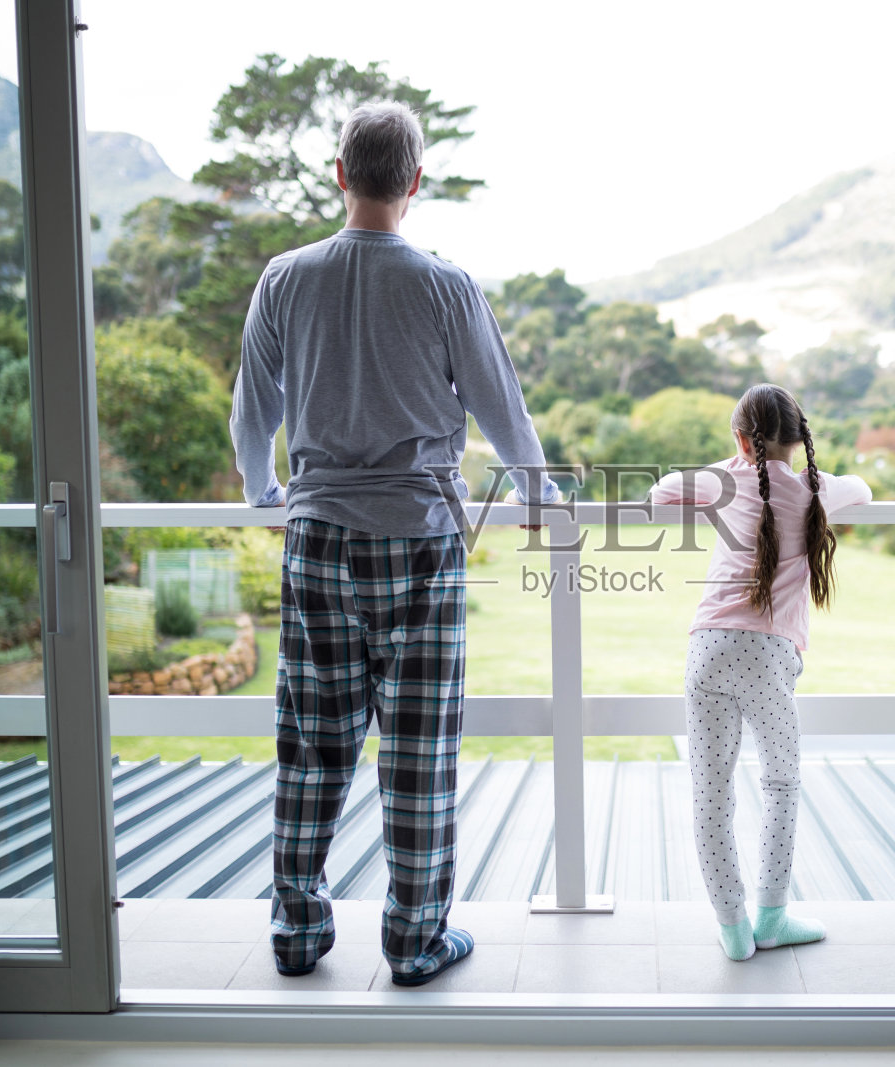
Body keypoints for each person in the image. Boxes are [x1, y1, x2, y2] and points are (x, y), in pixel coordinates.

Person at [229, 101, 559, 986]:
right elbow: (501, 407)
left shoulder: (284, 278)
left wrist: (266, 490)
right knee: (416, 753)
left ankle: (297, 933)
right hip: (418, 544)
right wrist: (538, 492)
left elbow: (252, 405)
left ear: (340, 174)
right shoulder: (445, 284)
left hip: (317, 537)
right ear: (415, 182)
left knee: (311, 743)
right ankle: (413, 941)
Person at [649, 384, 872, 961]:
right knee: (779, 784)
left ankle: (733, 929)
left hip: (709, 650)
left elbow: (661, 491)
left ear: (742, 440)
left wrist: (734, 462)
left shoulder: (724, 481)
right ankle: (771, 917)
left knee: (711, 791)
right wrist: (811, 478)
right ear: (800, 441)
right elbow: (864, 490)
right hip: (770, 658)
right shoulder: (813, 491)